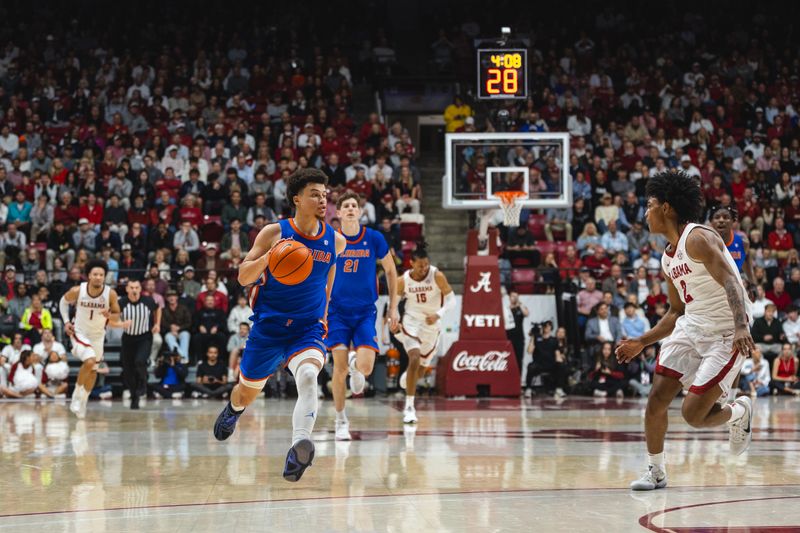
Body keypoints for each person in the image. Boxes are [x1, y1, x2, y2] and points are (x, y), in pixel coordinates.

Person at [616, 171, 756, 492]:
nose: (645, 211)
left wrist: (740, 327)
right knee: (656, 399)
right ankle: (656, 471)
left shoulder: (697, 238)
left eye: (649, 205)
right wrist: (641, 341)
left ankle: (739, 411)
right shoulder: (668, 257)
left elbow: (732, 281)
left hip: (725, 331)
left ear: (667, 208)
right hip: (692, 325)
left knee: (693, 415)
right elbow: (675, 311)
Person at [212, 168, 346, 483]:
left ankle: (300, 444)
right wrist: (270, 257)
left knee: (310, 376)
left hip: (307, 329)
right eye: (315, 193)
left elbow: (327, 287)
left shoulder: (335, 241)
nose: (322, 199)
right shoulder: (274, 233)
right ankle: (234, 410)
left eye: (325, 194)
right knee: (246, 392)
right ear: (296, 199)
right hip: (269, 329)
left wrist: (322, 316)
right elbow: (244, 277)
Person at [326, 191, 399, 440]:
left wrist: (394, 307)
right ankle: (341, 420)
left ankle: (357, 368)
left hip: (366, 311)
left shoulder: (374, 238)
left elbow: (391, 271)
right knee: (338, 366)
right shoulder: (331, 240)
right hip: (336, 312)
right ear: (337, 213)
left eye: (353, 205)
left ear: (360, 211)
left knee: (366, 367)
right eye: (345, 205)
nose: (349, 208)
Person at [59, 259, 131, 419]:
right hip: (79, 332)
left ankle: (83, 400)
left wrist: (110, 315)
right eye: (95, 274)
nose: (98, 277)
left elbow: (117, 314)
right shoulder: (78, 290)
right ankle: (77, 395)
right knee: (90, 361)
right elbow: (63, 303)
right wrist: (65, 322)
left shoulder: (110, 293)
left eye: (101, 275)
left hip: (98, 335)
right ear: (89, 276)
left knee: (93, 371)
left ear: (104, 277)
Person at [394, 242, 455, 424]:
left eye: (426, 264)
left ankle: (410, 375)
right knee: (413, 358)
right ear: (411, 263)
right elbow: (394, 304)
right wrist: (393, 318)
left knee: (420, 371)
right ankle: (410, 408)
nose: (424, 268)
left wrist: (438, 314)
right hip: (412, 320)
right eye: (420, 265)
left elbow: (452, 301)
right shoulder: (403, 280)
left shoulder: (437, 276)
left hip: (432, 325)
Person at [118, 279, 160, 410]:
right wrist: (120, 323)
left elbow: (158, 309)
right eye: (131, 287)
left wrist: (157, 324)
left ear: (140, 289)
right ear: (127, 289)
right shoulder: (121, 303)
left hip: (144, 337)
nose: (134, 290)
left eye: (137, 287)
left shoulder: (148, 301)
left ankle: (143, 384)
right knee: (128, 369)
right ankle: (134, 395)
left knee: (140, 362)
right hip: (128, 338)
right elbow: (112, 317)